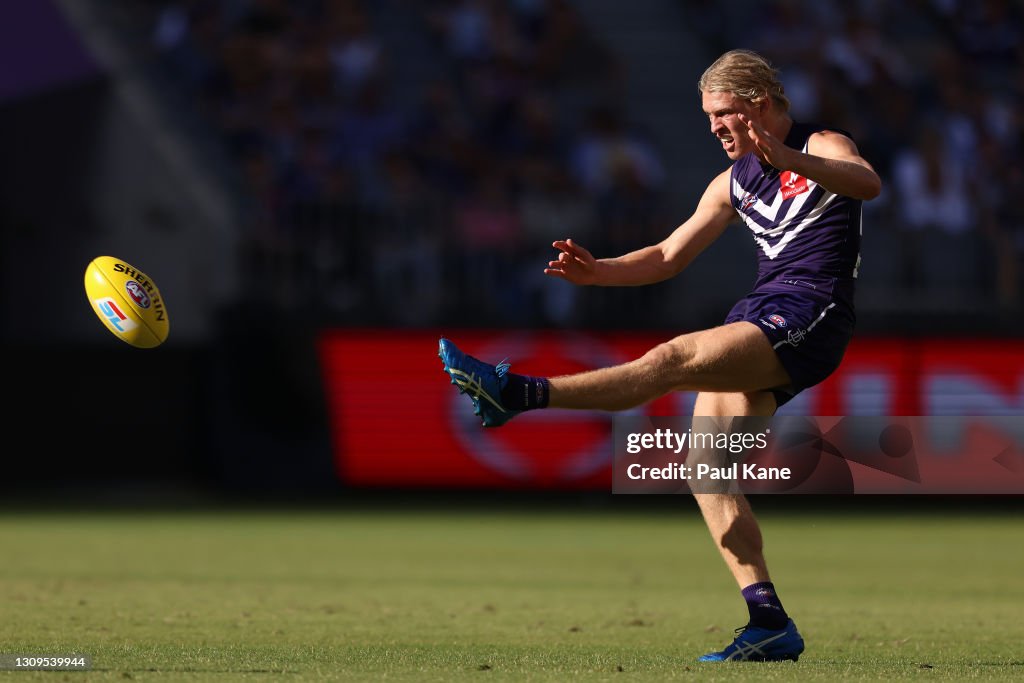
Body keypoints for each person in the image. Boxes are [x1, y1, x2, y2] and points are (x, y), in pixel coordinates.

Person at [438, 49, 880, 663]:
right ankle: (768, 620)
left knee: (673, 358)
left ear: (758, 103)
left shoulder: (823, 144)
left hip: (811, 312)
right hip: (759, 313)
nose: (715, 128)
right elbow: (669, 255)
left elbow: (868, 183)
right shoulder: (732, 182)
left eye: (723, 113)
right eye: (707, 118)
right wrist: (600, 273)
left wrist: (788, 157)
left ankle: (518, 394)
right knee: (707, 470)